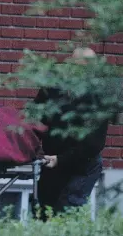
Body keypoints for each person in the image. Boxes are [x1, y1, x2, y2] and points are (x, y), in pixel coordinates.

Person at [34, 47, 119, 220]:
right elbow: (35, 117)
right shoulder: (53, 88)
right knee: (43, 212)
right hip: (53, 162)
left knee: (68, 210)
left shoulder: (97, 98)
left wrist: (60, 159)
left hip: (83, 164)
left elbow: (92, 145)